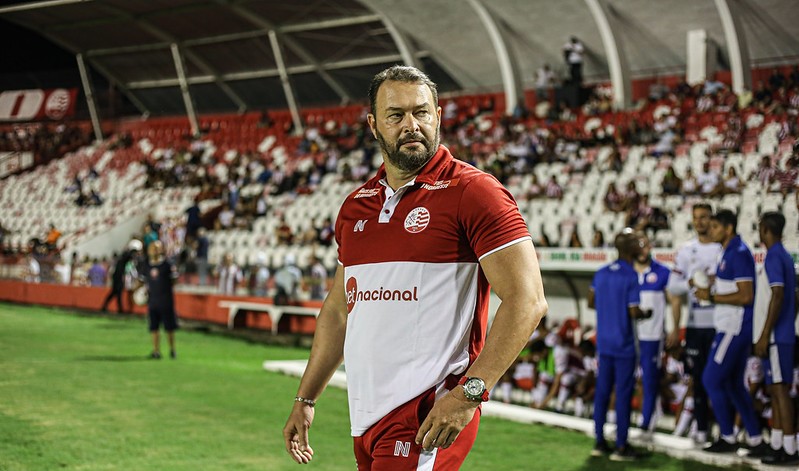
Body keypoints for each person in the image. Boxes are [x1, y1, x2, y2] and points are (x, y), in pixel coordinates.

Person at [282, 65, 548, 469]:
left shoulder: (474, 192)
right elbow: (338, 313)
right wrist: (305, 399)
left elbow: (527, 301)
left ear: (438, 117)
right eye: (396, 115)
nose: (411, 125)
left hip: (427, 411)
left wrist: (468, 395)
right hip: (366, 414)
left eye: (421, 113)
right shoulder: (356, 205)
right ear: (374, 125)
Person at [694, 210, 766, 454]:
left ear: (727, 228)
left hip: (734, 328)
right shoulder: (728, 251)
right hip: (730, 325)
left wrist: (711, 296)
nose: (710, 230)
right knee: (735, 385)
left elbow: (746, 295)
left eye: (714, 226)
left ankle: (728, 437)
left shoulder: (739, 253)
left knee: (711, 379)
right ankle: (755, 440)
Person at [588, 229, 650, 461]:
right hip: (624, 345)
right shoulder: (631, 275)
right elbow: (633, 310)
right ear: (631, 249)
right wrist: (645, 313)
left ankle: (599, 441)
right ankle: (621, 447)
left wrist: (609, 308)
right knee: (623, 394)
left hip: (604, 343)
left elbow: (591, 301)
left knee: (602, 393)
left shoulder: (602, 273)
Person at [666, 203, 721, 446]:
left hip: (721, 325)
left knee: (721, 380)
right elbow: (673, 286)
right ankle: (701, 428)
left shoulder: (722, 249)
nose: (700, 222)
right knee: (698, 380)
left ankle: (724, 431)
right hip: (696, 325)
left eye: (705, 217)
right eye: (696, 217)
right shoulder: (687, 251)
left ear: (712, 219)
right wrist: (691, 283)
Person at [754, 212, 798, 464]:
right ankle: (780, 444)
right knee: (777, 389)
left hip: (776, 336)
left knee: (781, 391)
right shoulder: (784, 256)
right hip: (782, 334)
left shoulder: (773, 256)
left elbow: (778, 294)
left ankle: (790, 449)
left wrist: (765, 333)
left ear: (765, 230)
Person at [632, 232, 673, 437]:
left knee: (649, 379)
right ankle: (633, 418)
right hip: (630, 336)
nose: (642, 250)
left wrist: (673, 329)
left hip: (652, 337)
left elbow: (674, 301)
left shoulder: (663, 272)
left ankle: (646, 422)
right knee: (630, 380)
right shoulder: (628, 272)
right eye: (638, 246)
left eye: (645, 245)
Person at [140, 240, 179, 359]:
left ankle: (172, 350)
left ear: (162, 249)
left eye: (157, 248)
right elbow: (142, 281)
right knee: (154, 328)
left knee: (169, 328)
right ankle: (156, 351)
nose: (154, 250)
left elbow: (174, 280)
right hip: (153, 302)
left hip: (166, 301)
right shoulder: (146, 265)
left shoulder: (167, 264)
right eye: (152, 248)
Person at [101, 240, 143, 313]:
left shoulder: (124, 255)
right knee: (118, 292)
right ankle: (119, 309)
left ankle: (105, 306)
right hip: (118, 276)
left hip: (117, 275)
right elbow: (132, 258)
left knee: (114, 292)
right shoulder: (127, 255)